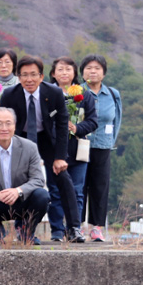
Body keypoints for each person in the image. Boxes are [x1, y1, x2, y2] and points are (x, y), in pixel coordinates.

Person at [1, 55, 84, 243]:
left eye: (33, 75)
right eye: (24, 75)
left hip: (47, 138)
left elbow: (62, 124)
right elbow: (3, 125)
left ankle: (73, 228)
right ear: (18, 76)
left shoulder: (54, 93)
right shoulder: (9, 95)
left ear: (41, 76)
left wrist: (60, 156)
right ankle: (24, 229)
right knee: (21, 182)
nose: (29, 79)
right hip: (20, 139)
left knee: (62, 177)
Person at [0, 107, 50, 244]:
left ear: (14, 126)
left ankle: (26, 233)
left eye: (8, 123)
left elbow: (38, 179)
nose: (4, 128)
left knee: (42, 195)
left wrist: (18, 191)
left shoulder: (29, 147)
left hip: (22, 201)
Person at [47, 56, 98, 242]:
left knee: (77, 190)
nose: (64, 73)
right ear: (53, 73)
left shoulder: (85, 94)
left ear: (74, 73)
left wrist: (76, 128)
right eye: (60, 69)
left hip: (78, 148)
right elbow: (42, 120)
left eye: (68, 69)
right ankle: (57, 231)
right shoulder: (47, 93)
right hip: (53, 149)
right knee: (55, 191)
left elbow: (93, 121)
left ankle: (74, 229)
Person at [80, 54, 122, 242]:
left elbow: (117, 119)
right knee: (79, 186)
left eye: (97, 68)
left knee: (100, 187)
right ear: (82, 72)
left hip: (103, 146)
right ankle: (77, 226)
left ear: (103, 73)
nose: (93, 71)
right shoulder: (76, 92)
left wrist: (110, 141)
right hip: (80, 145)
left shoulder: (113, 94)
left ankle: (96, 227)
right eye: (88, 68)